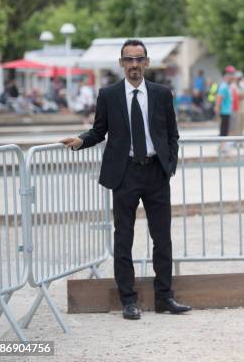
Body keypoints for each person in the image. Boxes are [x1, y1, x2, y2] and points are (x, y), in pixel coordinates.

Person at [60, 39, 191, 320]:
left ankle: (165, 297)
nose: (133, 64)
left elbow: (172, 134)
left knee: (162, 238)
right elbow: (99, 131)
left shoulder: (162, 94)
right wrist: (80, 140)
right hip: (125, 174)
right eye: (128, 59)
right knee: (124, 238)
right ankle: (128, 300)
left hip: (156, 172)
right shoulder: (108, 95)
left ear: (146, 62)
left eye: (138, 59)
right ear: (121, 63)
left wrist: (169, 165)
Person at [215, 66, 234, 154]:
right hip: (224, 111)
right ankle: (222, 146)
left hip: (226, 111)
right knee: (223, 129)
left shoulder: (226, 86)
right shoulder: (223, 86)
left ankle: (223, 145)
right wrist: (217, 108)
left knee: (225, 129)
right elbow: (219, 97)